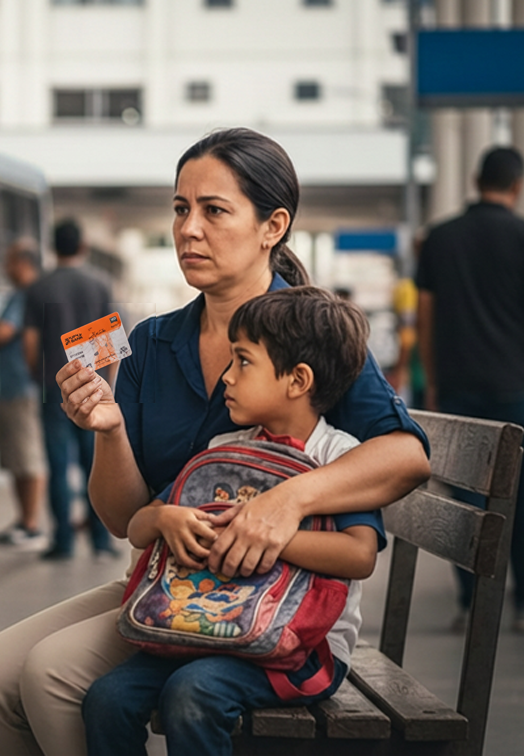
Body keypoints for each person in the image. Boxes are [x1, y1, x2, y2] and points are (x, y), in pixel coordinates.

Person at [0, 127, 430, 756]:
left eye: (214, 211)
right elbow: (124, 519)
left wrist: (282, 505)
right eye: (181, 209)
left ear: (273, 226)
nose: (189, 229)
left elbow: (406, 454)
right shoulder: (151, 342)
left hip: (262, 602)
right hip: (165, 585)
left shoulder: (308, 335)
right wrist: (111, 431)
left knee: (50, 676)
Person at [83, 286, 380, 756]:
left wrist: (265, 535)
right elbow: (137, 527)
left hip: (300, 650)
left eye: (243, 362)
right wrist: (167, 520)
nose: (227, 376)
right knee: (107, 699)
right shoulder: (222, 449)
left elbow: (359, 554)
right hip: (204, 630)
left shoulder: (338, 457)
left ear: (298, 380)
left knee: (192, 693)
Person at [415, 146, 524, 634]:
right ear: (517, 186)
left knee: (465, 502)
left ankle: (473, 604)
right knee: (521, 497)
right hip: (515, 388)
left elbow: (425, 317)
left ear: (475, 179)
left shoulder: (440, 238)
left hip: (458, 386)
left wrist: (433, 382)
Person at [23, 219, 118, 562]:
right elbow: (110, 342)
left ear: (53, 248)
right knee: (94, 462)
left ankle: (62, 542)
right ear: (82, 247)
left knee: (57, 464)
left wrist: (39, 377)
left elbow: (30, 342)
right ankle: (101, 541)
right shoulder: (99, 284)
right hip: (92, 386)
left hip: (53, 386)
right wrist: (105, 383)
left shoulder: (38, 287)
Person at [0, 241, 47, 551]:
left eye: (10, 263)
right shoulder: (29, 295)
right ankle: (25, 520)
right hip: (20, 387)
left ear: (23, 264)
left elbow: (0, 334)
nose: (5, 269)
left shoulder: (25, 297)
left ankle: (31, 523)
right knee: (18, 457)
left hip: (24, 387)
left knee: (27, 457)